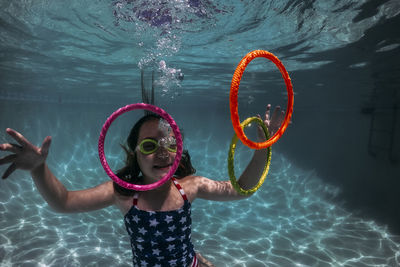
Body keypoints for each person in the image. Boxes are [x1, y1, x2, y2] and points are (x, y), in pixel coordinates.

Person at [0, 102, 284, 266]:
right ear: (134, 153)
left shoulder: (191, 186)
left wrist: (263, 149)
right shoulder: (123, 194)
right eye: (150, 145)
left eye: (169, 144)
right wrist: (39, 168)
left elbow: (242, 189)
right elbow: (63, 202)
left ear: (178, 149)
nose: (162, 152)